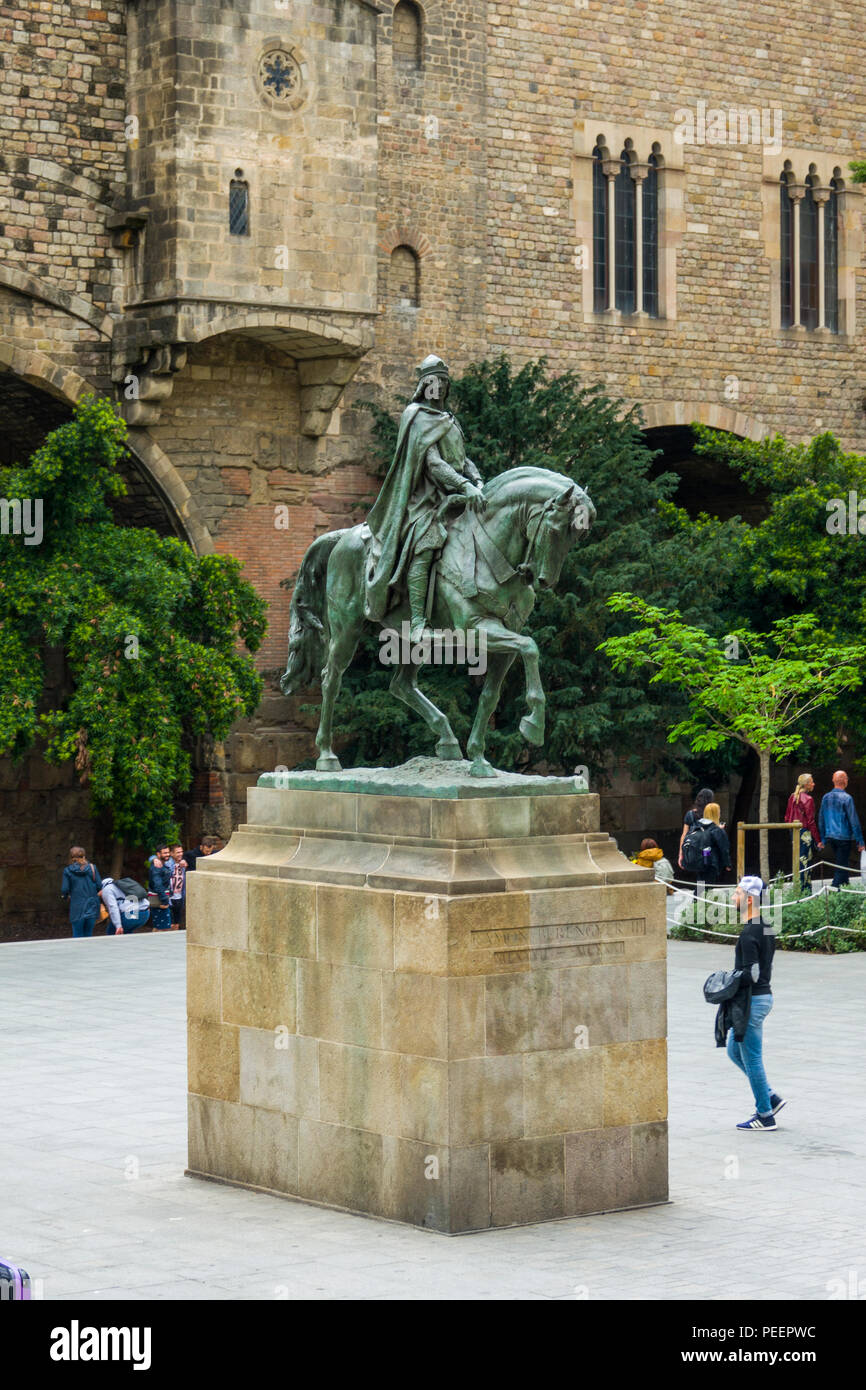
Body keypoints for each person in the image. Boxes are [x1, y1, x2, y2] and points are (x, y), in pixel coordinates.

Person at [364, 354, 486, 643]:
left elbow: (462, 459)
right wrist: (465, 486)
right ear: (424, 386)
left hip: (457, 495)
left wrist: (477, 480)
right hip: (424, 500)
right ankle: (417, 621)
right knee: (426, 539)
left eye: (443, 383)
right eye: (433, 383)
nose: (438, 388)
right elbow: (433, 463)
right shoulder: (416, 416)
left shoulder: (449, 420)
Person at [727, 875, 785, 1131]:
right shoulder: (765, 926)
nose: (732, 897)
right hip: (761, 997)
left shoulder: (751, 932)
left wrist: (726, 984)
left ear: (749, 899)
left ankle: (765, 1114)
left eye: (737, 893)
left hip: (753, 1000)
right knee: (733, 1050)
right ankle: (770, 1097)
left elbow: (750, 974)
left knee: (752, 1058)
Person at [818, 770, 865, 889]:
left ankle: (846, 890)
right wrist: (860, 841)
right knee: (841, 865)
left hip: (830, 836)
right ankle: (833, 890)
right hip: (843, 837)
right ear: (845, 781)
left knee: (842, 863)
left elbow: (821, 819)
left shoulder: (826, 797)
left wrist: (822, 839)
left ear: (833, 781)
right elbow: (854, 821)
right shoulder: (847, 798)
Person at [784, 772, 823, 889]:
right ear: (806, 785)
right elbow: (811, 822)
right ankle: (805, 889)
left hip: (794, 832)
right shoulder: (808, 799)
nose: (813, 784)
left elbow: (786, 817)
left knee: (798, 860)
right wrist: (818, 840)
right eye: (811, 782)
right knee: (805, 861)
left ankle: (799, 887)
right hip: (805, 833)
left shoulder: (792, 797)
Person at [60, 847, 102, 938]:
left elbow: (65, 889)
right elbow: (100, 886)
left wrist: (65, 896)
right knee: (88, 934)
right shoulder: (92, 868)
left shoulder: (67, 871)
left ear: (71, 857)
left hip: (77, 907)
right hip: (92, 905)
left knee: (77, 935)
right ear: (84, 856)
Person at [677, 787, 716, 878]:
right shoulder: (711, 815)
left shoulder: (690, 814)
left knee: (701, 873)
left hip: (694, 849)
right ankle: (701, 891)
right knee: (706, 872)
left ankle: (700, 891)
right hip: (707, 850)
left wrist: (681, 854)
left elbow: (684, 835)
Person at [147, 843, 173, 932]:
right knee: (162, 928)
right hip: (159, 900)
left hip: (162, 898)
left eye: (168, 852)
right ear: (158, 854)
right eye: (165, 853)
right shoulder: (156, 867)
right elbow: (157, 885)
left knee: (161, 927)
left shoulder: (165, 863)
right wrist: (165, 900)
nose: (167, 854)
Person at [168, 843, 187, 930]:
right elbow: (153, 858)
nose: (180, 854)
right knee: (169, 925)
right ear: (171, 854)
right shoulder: (167, 864)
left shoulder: (182, 865)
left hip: (179, 897)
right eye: (178, 852)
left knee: (176, 924)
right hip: (169, 898)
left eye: (181, 852)